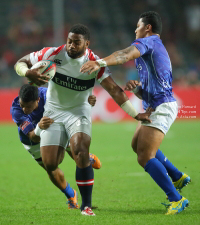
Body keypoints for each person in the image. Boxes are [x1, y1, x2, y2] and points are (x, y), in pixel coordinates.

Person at [14, 24, 152, 216]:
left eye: (76, 42)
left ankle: (86, 206)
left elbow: (114, 90)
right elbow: (20, 62)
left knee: (80, 151)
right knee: (51, 164)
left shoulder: (94, 63)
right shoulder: (52, 53)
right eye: (69, 41)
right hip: (53, 112)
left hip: (79, 111)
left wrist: (136, 114)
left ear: (86, 44)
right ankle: (70, 151)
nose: (71, 45)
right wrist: (27, 72)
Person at [80, 12, 190, 215]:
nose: (135, 29)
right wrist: (137, 90)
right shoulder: (153, 48)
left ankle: (176, 198)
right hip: (154, 105)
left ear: (147, 28)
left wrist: (100, 63)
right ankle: (177, 176)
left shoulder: (149, 42)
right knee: (136, 145)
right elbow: (156, 83)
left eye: (138, 26)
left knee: (144, 156)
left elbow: (123, 55)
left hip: (162, 106)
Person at [11, 84, 102, 210]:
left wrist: (86, 101)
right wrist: (39, 127)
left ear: (37, 100)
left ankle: (85, 158)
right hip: (32, 141)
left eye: (28, 106)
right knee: (50, 168)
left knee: (72, 148)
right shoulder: (16, 109)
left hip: (55, 128)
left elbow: (70, 101)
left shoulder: (49, 95)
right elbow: (33, 136)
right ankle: (71, 195)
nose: (24, 109)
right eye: (22, 105)